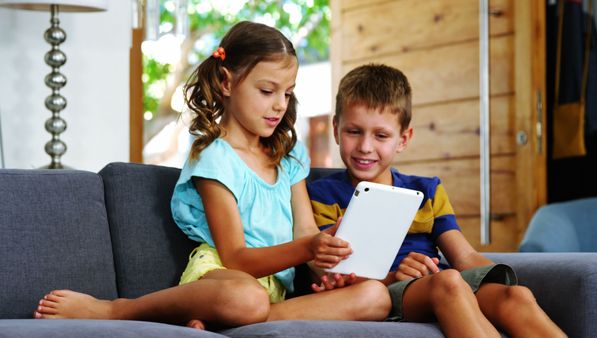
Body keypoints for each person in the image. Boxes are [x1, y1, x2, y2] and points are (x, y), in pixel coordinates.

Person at [32, 21, 391, 330]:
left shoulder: (289, 153)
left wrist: (327, 262)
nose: (280, 104)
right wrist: (307, 249)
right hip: (225, 275)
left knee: (375, 297)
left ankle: (221, 321)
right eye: (267, 91)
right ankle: (116, 309)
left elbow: (305, 233)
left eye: (287, 92)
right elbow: (235, 257)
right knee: (246, 298)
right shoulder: (213, 156)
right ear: (225, 82)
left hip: (273, 293)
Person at [307, 64, 567, 338]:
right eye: (354, 131)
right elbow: (332, 277)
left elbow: (463, 256)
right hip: (387, 291)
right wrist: (395, 277)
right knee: (449, 283)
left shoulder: (427, 190)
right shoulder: (322, 195)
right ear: (336, 129)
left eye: (381, 135)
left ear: (403, 138)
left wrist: (498, 281)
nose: (365, 147)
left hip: (436, 280)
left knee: (515, 296)